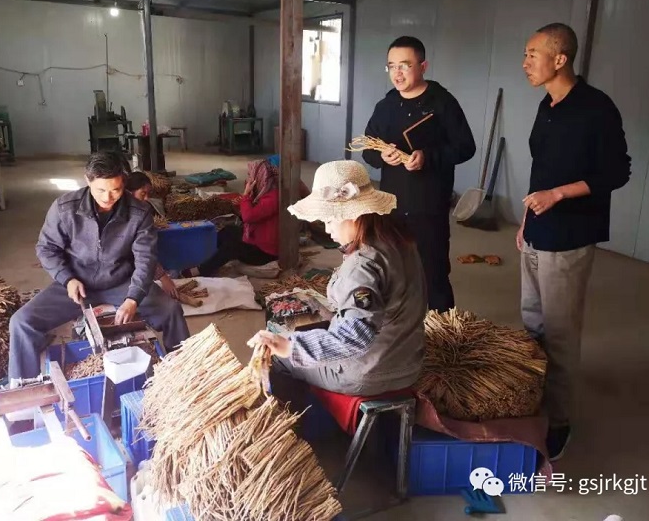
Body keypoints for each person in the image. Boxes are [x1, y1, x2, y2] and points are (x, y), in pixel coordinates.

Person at [519, 23, 630, 461]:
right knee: (532, 325)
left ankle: (560, 420)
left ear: (560, 59)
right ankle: (533, 400)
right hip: (537, 232)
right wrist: (525, 220)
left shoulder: (596, 108)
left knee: (560, 332)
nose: (525, 63)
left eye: (533, 54)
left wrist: (559, 195)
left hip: (569, 236)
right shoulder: (546, 105)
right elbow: (541, 169)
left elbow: (617, 172)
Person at [248, 160, 426, 401]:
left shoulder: (362, 266)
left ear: (354, 216)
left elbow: (355, 336)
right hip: (409, 360)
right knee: (308, 331)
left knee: (279, 361)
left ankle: (307, 422)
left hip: (372, 371)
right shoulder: (399, 240)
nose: (328, 230)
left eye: (330, 220)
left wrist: (290, 347)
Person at [8, 151, 190, 382]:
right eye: (101, 190)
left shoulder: (139, 212)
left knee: (171, 311)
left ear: (123, 182)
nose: (108, 197)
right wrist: (67, 278)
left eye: (115, 189)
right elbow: (46, 248)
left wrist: (133, 298)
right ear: (88, 180)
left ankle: (184, 373)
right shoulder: (65, 208)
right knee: (22, 323)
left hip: (121, 282)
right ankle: (24, 388)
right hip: (77, 284)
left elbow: (146, 259)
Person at [362, 36, 475, 313]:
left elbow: (465, 147)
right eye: (391, 66)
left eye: (405, 65)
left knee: (433, 270)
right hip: (391, 203)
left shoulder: (442, 102)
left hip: (429, 203)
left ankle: (443, 328)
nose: (397, 73)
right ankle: (400, 325)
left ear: (423, 66)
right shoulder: (386, 106)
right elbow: (368, 148)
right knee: (393, 268)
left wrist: (428, 157)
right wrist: (381, 156)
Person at [181, 158, 280, 277]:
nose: (248, 179)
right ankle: (204, 258)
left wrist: (246, 196)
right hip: (256, 240)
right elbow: (246, 217)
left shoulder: (273, 198)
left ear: (260, 177)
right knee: (228, 230)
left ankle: (202, 270)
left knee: (232, 247)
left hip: (265, 252)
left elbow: (248, 217)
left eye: (250, 175)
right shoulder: (262, 192)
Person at [126, 171, 179, 298]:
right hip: (125, 267)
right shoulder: (124, 215)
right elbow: (142, 253)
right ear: (129, 192)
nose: (146, 198)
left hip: (142, 262)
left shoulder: (144, 212)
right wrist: (163, 277)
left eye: (148, 194)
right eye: (142, 193)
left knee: (174, 272)